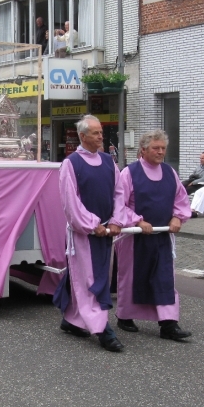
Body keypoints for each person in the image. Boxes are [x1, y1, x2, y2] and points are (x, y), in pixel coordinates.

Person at [52, 114, 124, 352]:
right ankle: (103, 329)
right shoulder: (71, 164)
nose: (101, 136)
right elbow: (70, 202)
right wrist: (93, 224)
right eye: (95, 133)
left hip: (105, 230)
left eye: (101, 132)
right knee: (89, 280)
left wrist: (115, 220)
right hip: (84, 233)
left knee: (93, 275)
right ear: (82, 136)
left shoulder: (108, 162)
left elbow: (119, 194)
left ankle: (71, 319)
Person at [114, 129, 192, 341]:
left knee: (164, 278)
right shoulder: (129, 173)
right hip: (135, 237)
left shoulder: (170, 173)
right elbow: (119, 203)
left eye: (163, 148)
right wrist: (138, 221)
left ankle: (169, 324)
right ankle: (125, 315)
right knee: (131, 277)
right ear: (143, 150)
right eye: (155, 148)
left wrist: (177, 218)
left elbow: (181, 200)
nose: (160, 152)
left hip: (162, 236)